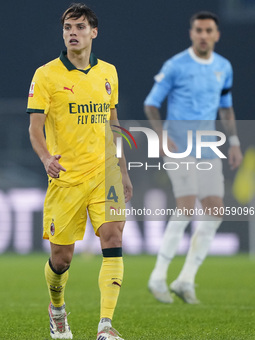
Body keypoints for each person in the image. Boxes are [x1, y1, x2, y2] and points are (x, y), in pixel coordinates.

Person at [27, 3, 132, 339]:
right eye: (68, 28)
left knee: (113, 237)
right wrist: (46, 158)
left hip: (105, 173)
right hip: (67, 178)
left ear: (93, 32)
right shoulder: (46, 75)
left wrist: (123, 169)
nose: (73, 33)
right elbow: (34, 128)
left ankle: (106, 326)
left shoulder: (109, 72)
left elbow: (113, 124)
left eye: (80, 27)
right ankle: (57, 308)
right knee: (62, 259)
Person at [144, 11, 243, 304]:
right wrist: (161, 136)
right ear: (192, 33)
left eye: (208, 30)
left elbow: (226, 108)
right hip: (179, 146)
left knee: (215, 210)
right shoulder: (175, 65)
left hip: (208, 147)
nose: (203, 35)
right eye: (198, 30)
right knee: (187, 208)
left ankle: (185, 279)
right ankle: (158, 276)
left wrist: (234, 141)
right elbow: (151, 104)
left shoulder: (223, 67)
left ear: (216, 35)